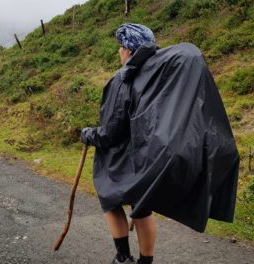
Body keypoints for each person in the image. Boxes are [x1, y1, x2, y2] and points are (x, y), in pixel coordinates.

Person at [81, 23, 239, 264]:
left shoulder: (121, 80)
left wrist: (88, 134)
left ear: (129, 50)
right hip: (147, 160)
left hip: (119, 162)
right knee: (141, 207)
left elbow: (111, 133)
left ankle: (122, 258)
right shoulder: (162, 76)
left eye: (121, 47)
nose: (119, 52)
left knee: (110, 200)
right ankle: (146, 262)